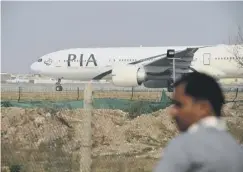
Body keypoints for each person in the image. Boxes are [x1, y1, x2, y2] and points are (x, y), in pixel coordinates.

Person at [154, 71, 243, 172]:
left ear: (203, 108)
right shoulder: (237, 150)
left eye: (179, 104)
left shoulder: (183, 147)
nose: (172, 111)